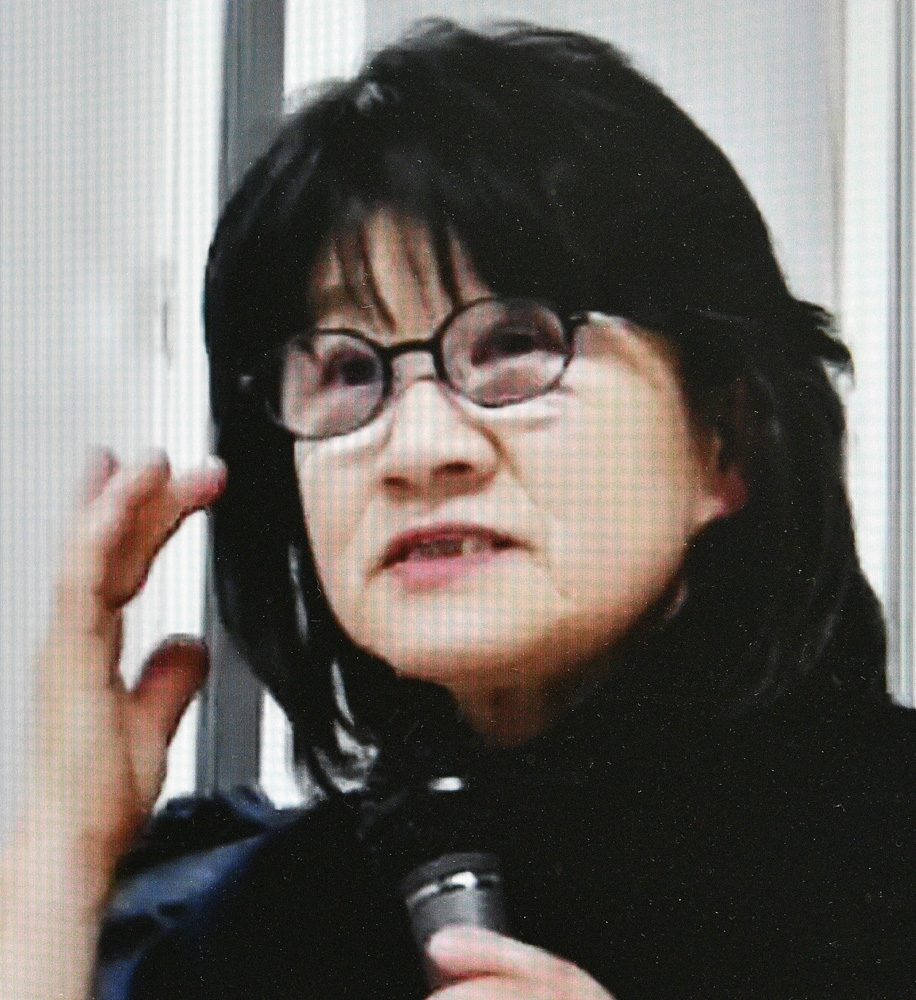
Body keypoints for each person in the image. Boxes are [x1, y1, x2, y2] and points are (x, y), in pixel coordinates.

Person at [3, 20, 916, 1000]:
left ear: (725, 440)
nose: (418, 448)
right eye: (347, 371)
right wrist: (67, 839)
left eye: (516, 344)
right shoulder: (274, 923)